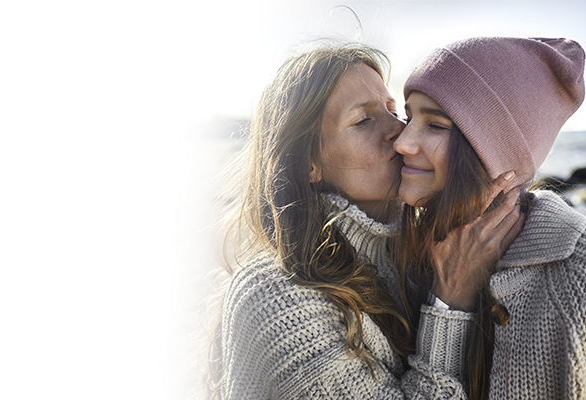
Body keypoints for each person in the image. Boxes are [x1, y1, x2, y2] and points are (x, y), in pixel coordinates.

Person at [194, 42, 523, 399]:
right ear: (308, 164)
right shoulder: (276, 298)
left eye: (394, 111)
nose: (402, 132)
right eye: (363, 120)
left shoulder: (430, 255)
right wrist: (449, 302)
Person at [393, 36, 586, 399]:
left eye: (435, 125)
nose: (402, 141)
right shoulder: (407, 256)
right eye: (409, 116)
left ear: (495, 154)